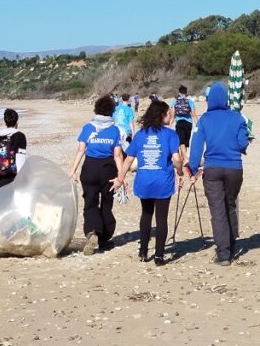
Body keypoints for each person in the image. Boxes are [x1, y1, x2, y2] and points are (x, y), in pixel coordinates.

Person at [188, 83, 250, 266]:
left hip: (213, 168)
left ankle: (223, 253)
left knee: (218, 210)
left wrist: (192, 168)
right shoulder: (237, 118)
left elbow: (196, 147)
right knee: (229, 205)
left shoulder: (205, 119)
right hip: (234, 168)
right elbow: (242, 144)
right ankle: (231, 243)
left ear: (209, 100)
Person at [117, 100, 182, 266]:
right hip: (163, 181)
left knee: (146, 215)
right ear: (162, 115)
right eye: (169, 113)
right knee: (161, 219)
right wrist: (180, 172)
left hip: (144, 181)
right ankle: (159, 256)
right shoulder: (171, 135)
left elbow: (128, 159)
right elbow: (176, 159)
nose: (171, 115)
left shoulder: (140, 134)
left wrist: (120, 178)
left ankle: (143, 251)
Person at [68, 95, 125, 255]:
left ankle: (92, 232)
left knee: (90, 203)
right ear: (112, 110)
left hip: (90, 168)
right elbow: (118, 155)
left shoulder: (88, 127)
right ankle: (104, 239)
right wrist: (121, 176)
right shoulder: (115, 130)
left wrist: (72, 170)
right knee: (107, 204)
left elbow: (80, 150)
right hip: (108, 169)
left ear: (97, 109)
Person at [0, 108, 28, 193]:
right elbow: (20, 159)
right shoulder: (19, 136)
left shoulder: (0, 137)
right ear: (17, 121)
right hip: (12, 178)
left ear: (5, 122)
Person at [170, 85, 198, 165]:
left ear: (179, 92)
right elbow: (193, 114)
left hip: (179, 122)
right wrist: (198, 123)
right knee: (185, 142)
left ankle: (185, 158)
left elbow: (173, 115)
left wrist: (170, 125)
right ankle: (183, 159)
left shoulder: (174, 102)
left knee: (181, 142)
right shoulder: (190, 102)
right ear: (186, 93)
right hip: (189, 123)